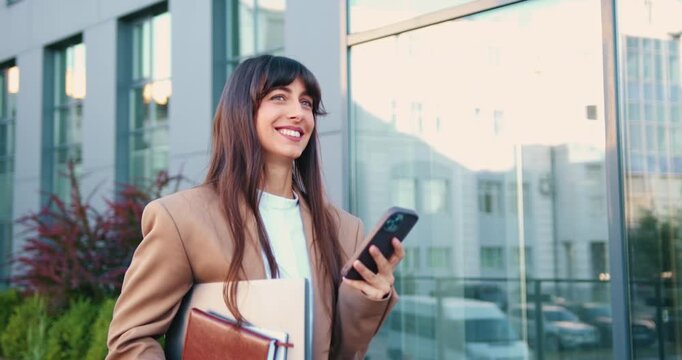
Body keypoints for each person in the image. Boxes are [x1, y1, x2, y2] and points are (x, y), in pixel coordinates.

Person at [106, 55, 404, 359]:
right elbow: (131, 339)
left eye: (306, 103)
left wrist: (368, 295)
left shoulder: (343, 229)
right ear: (242, 111)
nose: (298, 113)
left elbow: (343, 351)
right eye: (279, 97)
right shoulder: (182, 219)